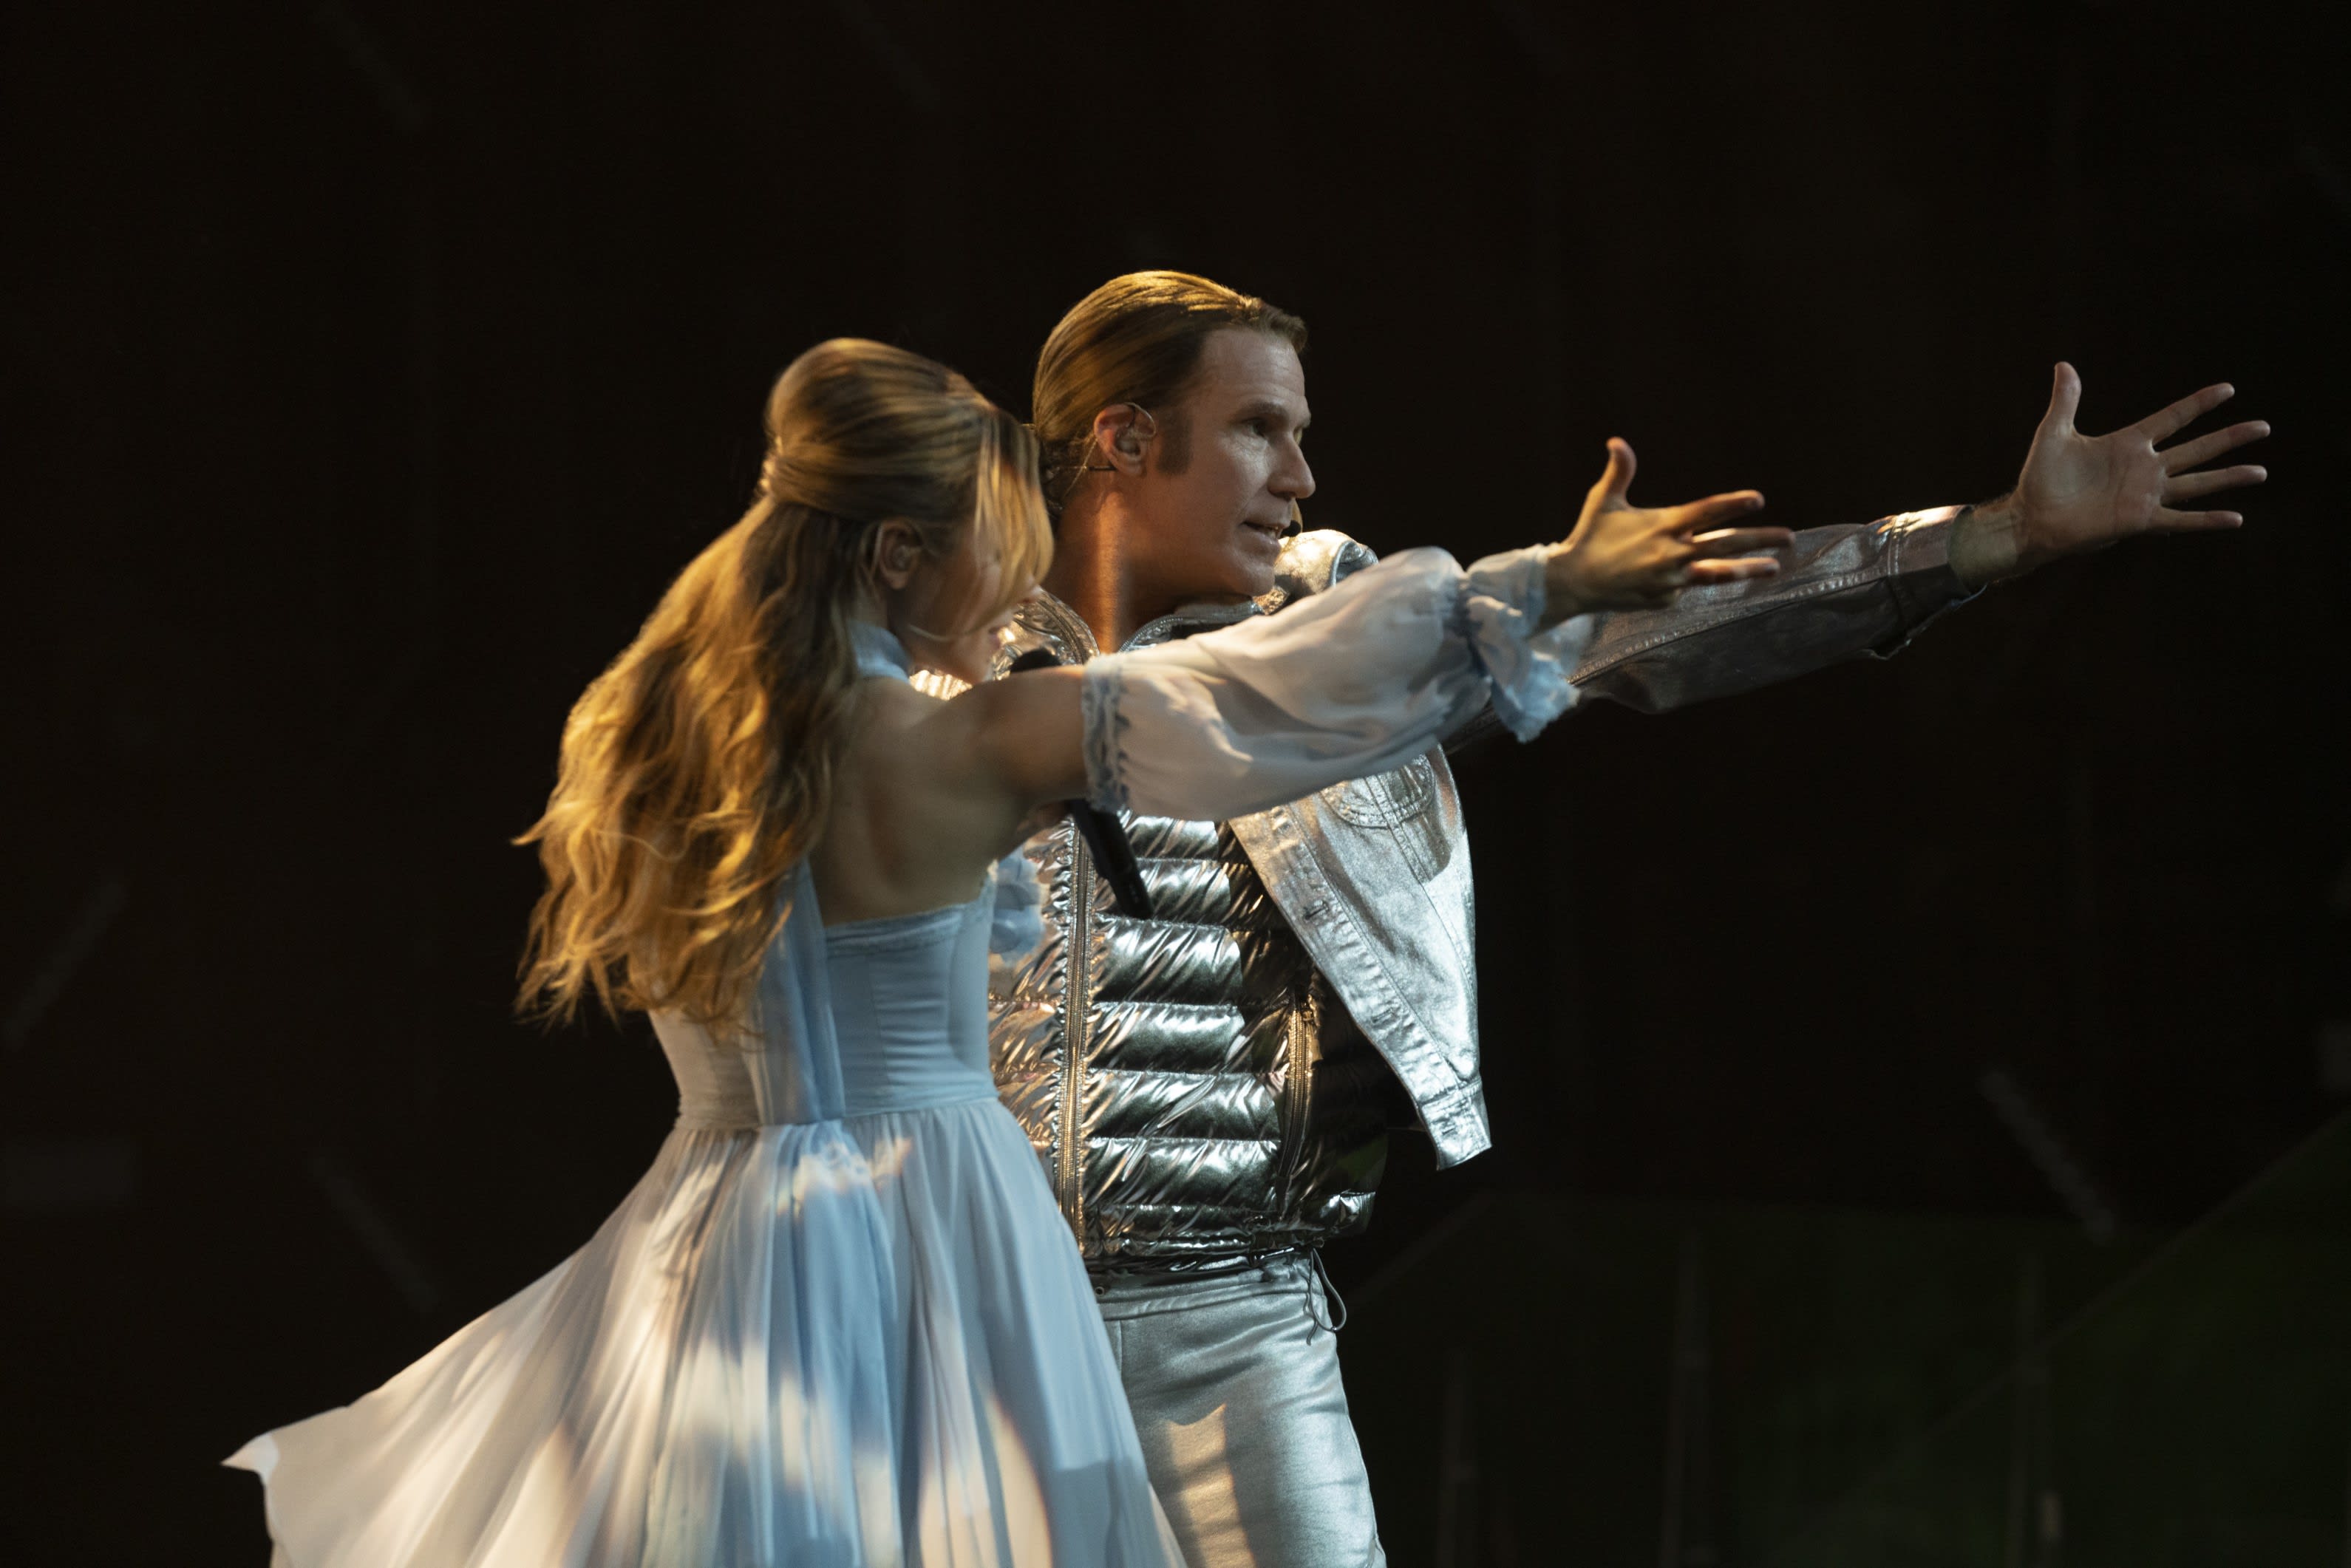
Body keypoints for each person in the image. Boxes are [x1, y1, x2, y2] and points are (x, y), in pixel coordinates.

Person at [220, 337, 1764, 1565]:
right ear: (898, 551)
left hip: (707, 1240)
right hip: (931, 1223)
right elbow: (1246, 694)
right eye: (980, 539)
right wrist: (1537, 587)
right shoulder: (956, 747)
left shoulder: (641, 736)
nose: (1001, 574)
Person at [989, 270, 2271, 1568]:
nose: (1300, 476)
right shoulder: (943, 664)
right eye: (1260, 428)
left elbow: (1640, 631)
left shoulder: (1335, 631)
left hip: (1234, 1327)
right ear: (1125, 438)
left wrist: (1984, 535)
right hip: (980, 1316)